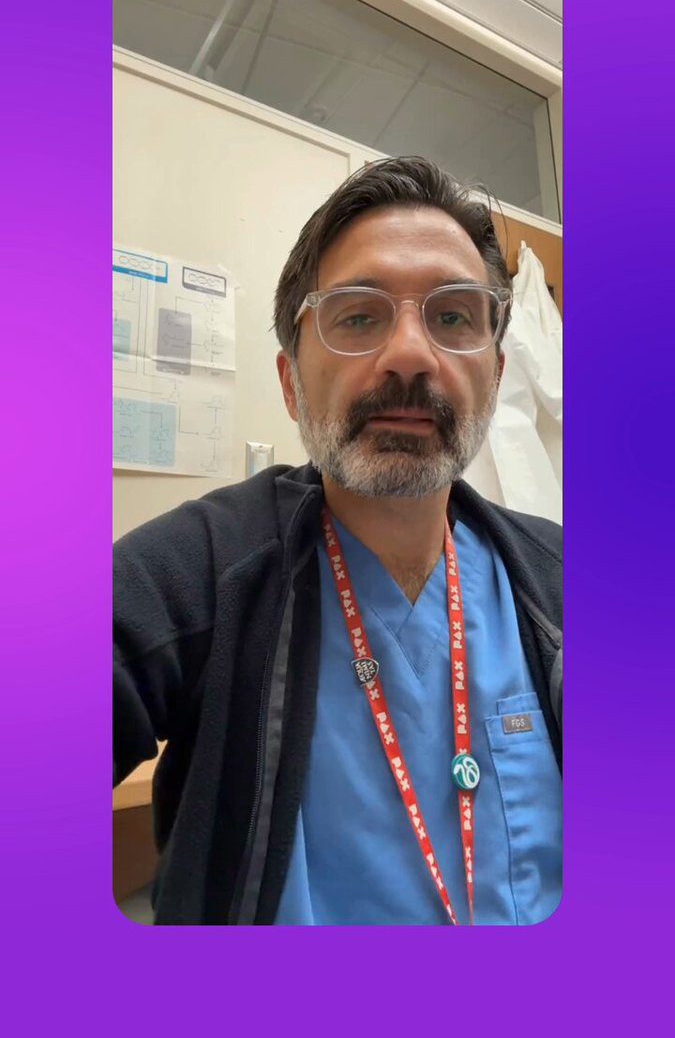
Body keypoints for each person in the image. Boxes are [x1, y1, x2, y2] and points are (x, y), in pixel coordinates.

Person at [114, 155, 562, 926]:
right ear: (291, 381)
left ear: (493, 375)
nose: (411, 354)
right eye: (357, 316)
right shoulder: (200, 572)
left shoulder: (559, 578)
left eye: (453, 316)